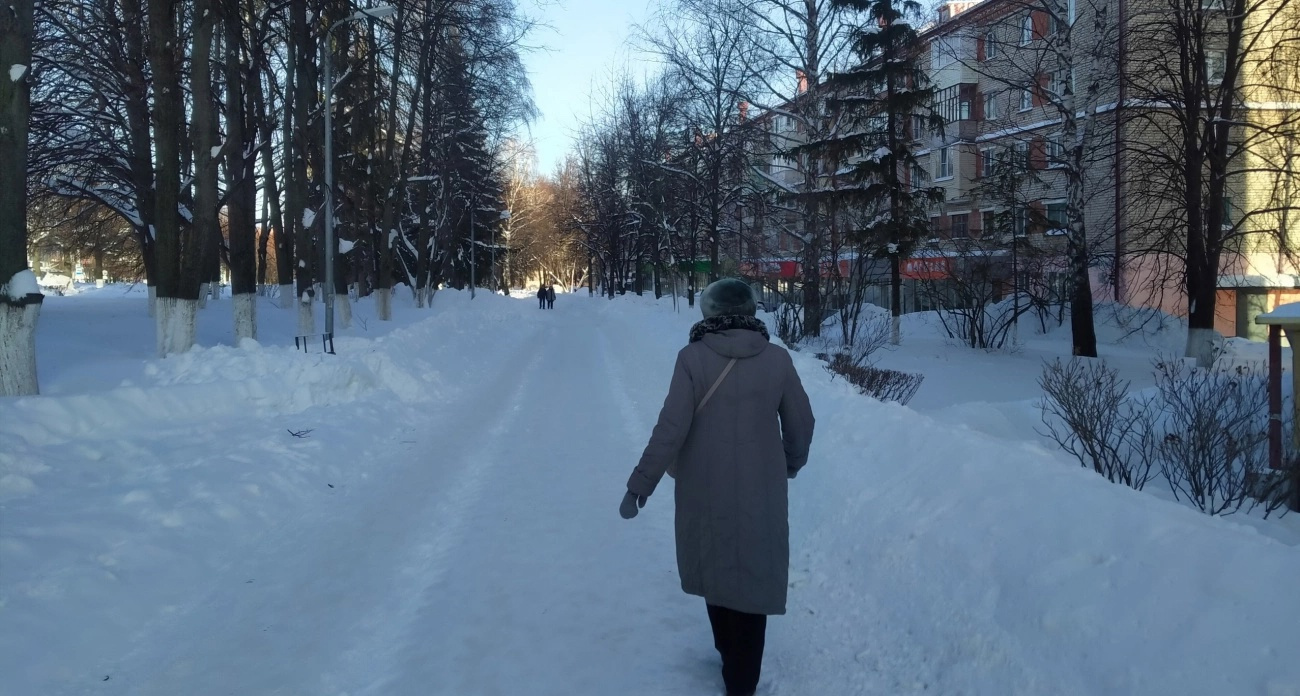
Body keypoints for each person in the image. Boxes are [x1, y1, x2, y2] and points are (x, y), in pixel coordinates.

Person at [619, 278, 815, 696]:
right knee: (754, 572)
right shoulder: (777, 360)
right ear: (752, 312)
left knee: (716, 563)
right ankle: (743, 677)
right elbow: (801, 423)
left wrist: (641, 483)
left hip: (701, 487)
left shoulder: (692, 358)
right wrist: (791, 462)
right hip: (762, 486)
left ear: (708, 313)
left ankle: (729, 654)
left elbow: (671, 428)